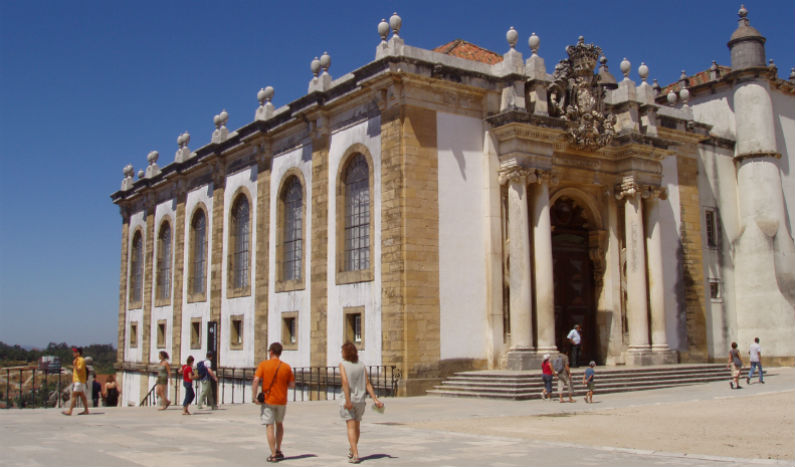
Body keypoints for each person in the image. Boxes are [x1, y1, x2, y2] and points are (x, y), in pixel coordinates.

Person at [339, 341, 384, 464]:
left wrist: (347, 400)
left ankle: (355, 454)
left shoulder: (343, 365)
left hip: (349, 400)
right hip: (360, 401)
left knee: (350, 427)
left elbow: (345, 382)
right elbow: (368, 383)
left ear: (345, 353)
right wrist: (375, 399)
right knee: (357, 427)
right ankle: (352, 449)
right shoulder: (361, 365)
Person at [252, 342, 295, 463]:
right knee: (279, 424)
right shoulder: (286, 367)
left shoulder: (264, 365)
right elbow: (292, 384)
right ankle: (279, 449)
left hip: (268, 400)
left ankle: (273, 454)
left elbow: (256, 381)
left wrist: (254, 397)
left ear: (271, 352)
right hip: (281, 400)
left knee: (269, 425)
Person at [62, 347, 89, 415]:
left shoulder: (81, 360)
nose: (73, 353)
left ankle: (70, 411)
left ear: (78, 353)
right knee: (82, 396)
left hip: (79, 381)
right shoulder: (77, 360)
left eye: (74, 352)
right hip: (78, 380)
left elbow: (79, 369)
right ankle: (86, 410)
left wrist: (74, 365)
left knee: (74, 395)